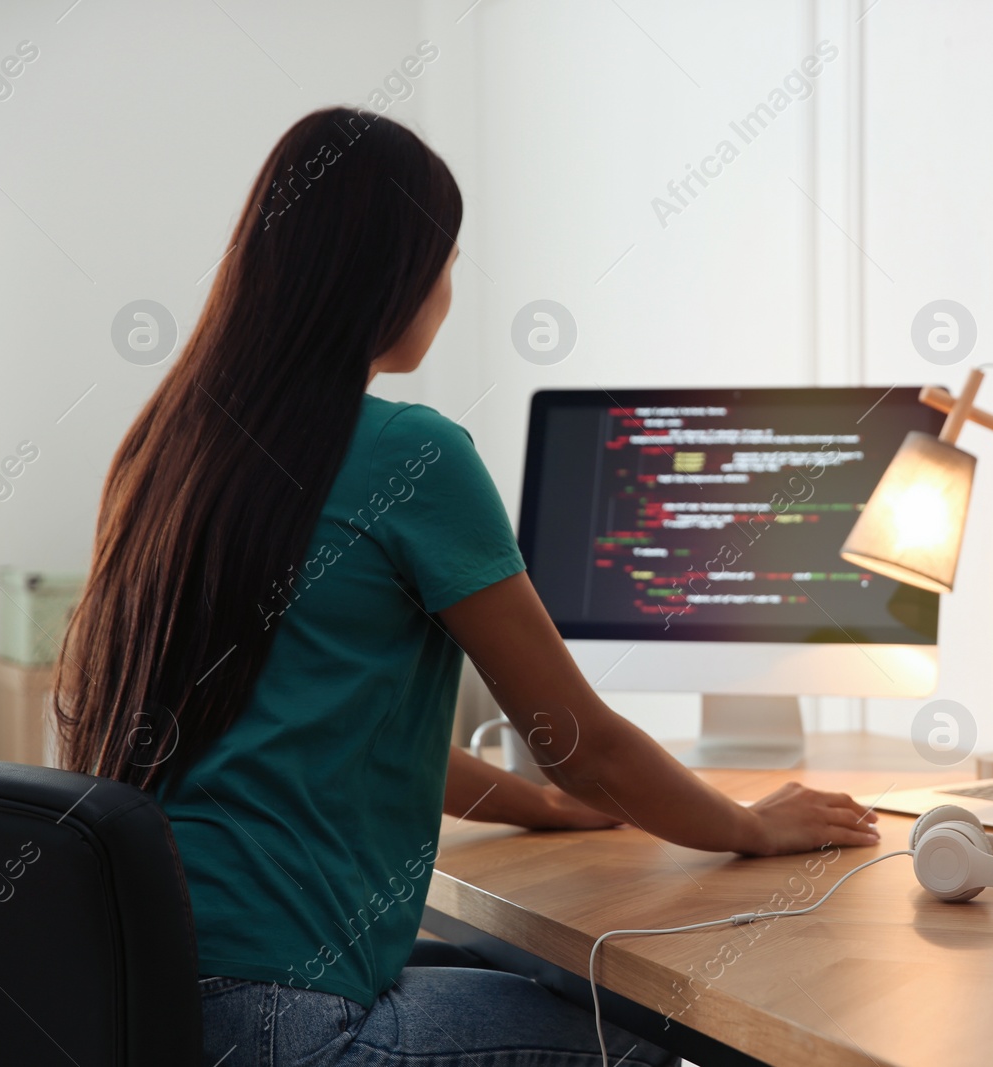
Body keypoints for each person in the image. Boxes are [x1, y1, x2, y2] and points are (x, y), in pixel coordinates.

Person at [54, 108, 880, 1067]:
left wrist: (536, 807)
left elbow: (316, 729)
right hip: (291, 1024)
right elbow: (580, 743)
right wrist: (746, 824)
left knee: (544, 983)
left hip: (150, 996)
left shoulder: (169, 448)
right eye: (444, 258)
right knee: (664, 1041)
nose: (449, 285)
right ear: (389, 274)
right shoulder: (413, 453)